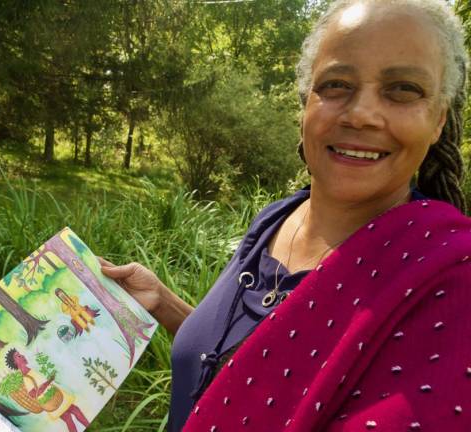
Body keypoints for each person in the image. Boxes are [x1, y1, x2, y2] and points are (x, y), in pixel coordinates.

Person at [100, 0, 471, 430]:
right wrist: (163, 304)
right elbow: (252, 362)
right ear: (305, 105)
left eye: (403, 89)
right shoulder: (275, 220)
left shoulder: (449, 284)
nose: (361, 114)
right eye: (336, 84)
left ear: (439, 120)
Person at [4, 348, 90, 432]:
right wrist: (48, 381)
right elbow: (34, 394)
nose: (22, 356)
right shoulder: (26, 378)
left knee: (68, 418)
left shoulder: (30, 370)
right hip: (51, 401)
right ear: (15, 362)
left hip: (54, 396)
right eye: (18, 356)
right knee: (74, 411)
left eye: (20, 354)